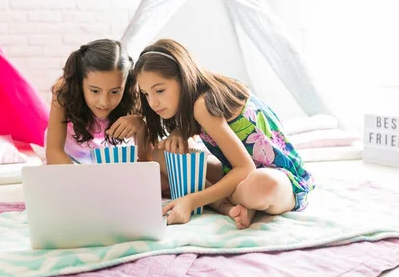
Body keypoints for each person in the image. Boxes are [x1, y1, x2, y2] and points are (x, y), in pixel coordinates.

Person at [134, 39, 314, 229]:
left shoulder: (203, 104)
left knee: (262, 184)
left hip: (283, 180)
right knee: (161, 154)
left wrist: (191, 200)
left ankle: (228, 203)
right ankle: (234, 204)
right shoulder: (205, 94)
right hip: (237, 173)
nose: (153, 102)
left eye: (160, 90)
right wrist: (180, 132)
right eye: (146, 94)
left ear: (183, 77)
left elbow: (246, 169)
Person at [46, 39, 151, 165]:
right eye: (95, 91)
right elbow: (54, 151)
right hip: (68, 162)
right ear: (80, 83)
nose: (104, 102)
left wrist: (140, 125)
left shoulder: (133, 91)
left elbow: (147, 162)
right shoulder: (64, 90)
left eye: (115, 91)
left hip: (108, 162)